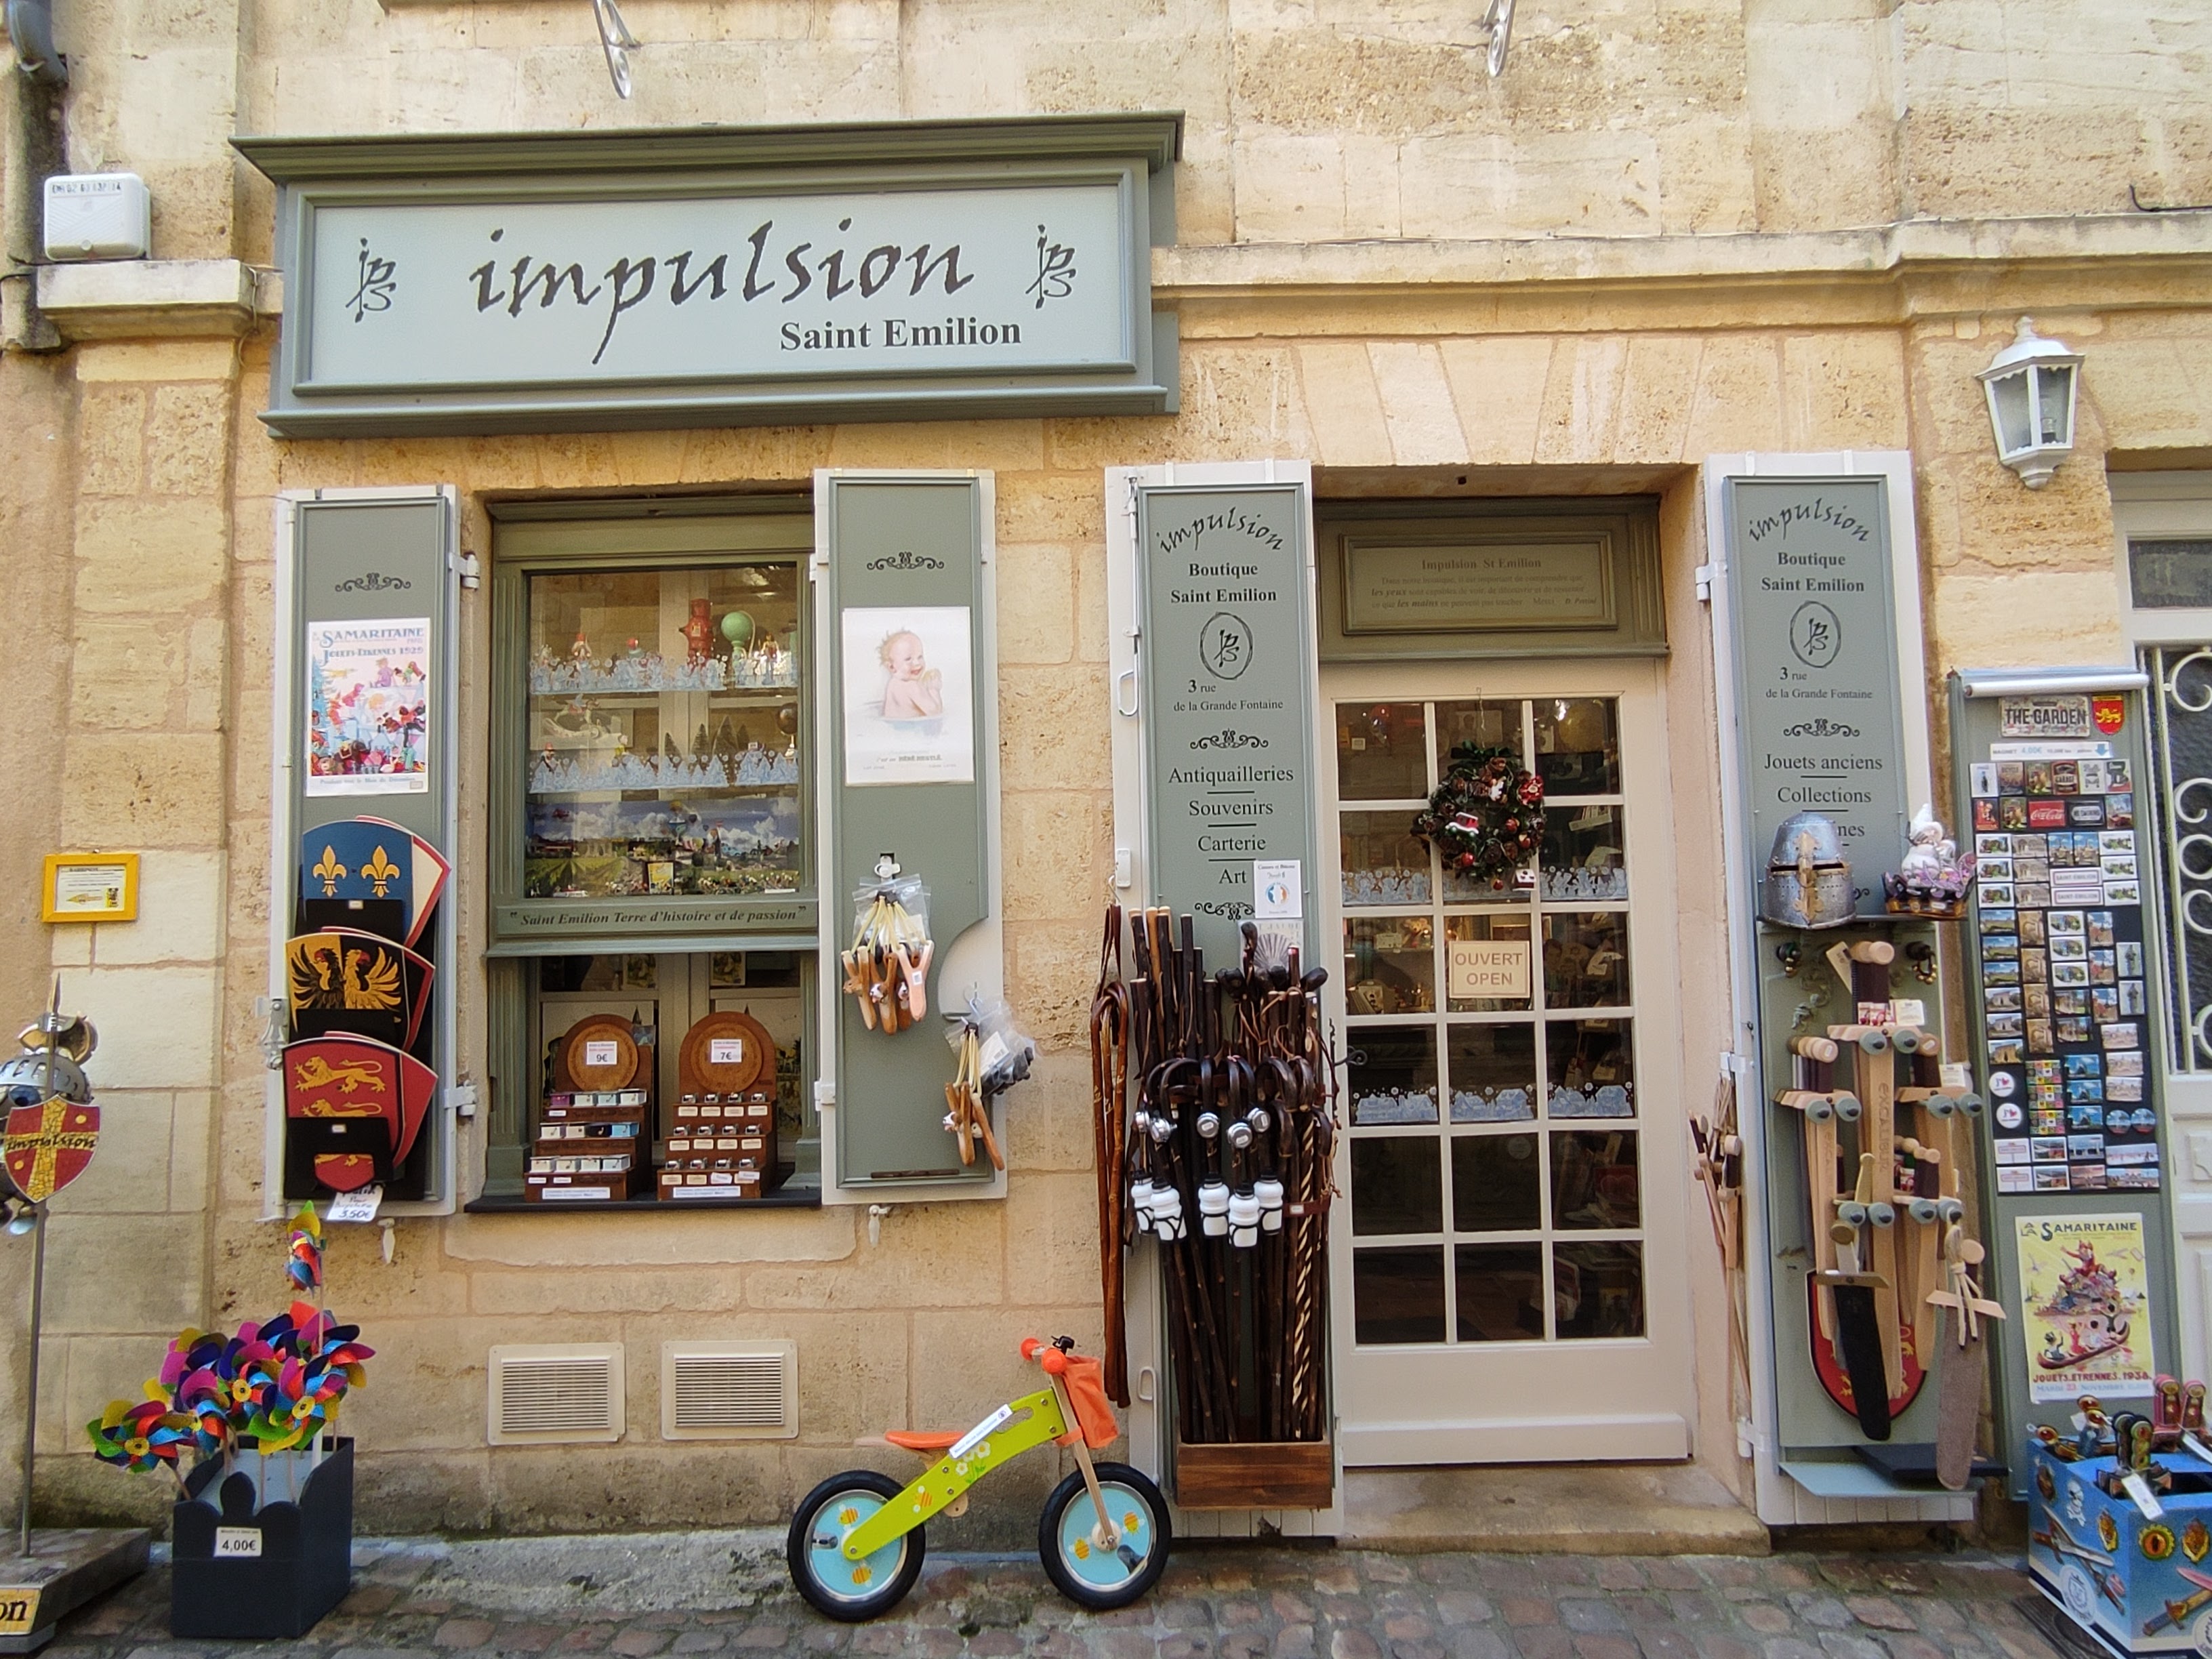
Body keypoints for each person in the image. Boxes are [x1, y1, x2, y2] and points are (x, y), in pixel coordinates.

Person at [879, 629, 944, 720]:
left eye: (920, 657)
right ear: (892, 667)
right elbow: (935, 712)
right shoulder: (912, 686)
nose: (917, 663)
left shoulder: (892, 684)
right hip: (913, 728)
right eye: (908, 659)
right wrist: (933, 689)